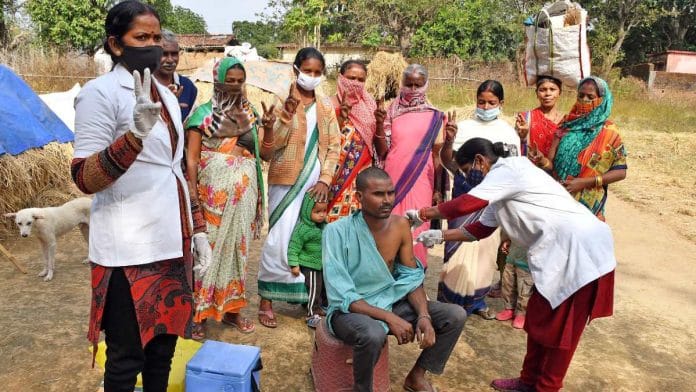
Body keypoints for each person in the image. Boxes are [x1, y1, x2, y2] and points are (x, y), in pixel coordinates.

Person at [71, 2, 212, 391]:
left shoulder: (165, 95)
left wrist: (196, 230)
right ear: (117, 45)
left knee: (162, 351)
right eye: (142, 38)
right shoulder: (98, 94)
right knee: (125, 358)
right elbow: (84, 178)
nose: (152, 45)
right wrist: (133, 137)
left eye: (156, 37)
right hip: (127, 250)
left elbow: (177, 169)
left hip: (169, 242)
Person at [410, 138, 616, 392]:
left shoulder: (510, 169)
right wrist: (439, 235)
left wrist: (424, 214)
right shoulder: (499, 190)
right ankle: (528, 381)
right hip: (558, 256)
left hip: (581, 254)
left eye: (465, 171)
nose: (468, 178)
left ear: (480, 161)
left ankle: (546, 387)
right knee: (539, 322)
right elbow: (480, 230)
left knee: (561, 334)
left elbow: (465, 204)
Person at [323, 167, 466, 392]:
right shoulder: (335, 232)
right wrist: (390, 318)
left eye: (390, 193)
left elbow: (410, 277)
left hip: (389, 300)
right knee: (373, 333)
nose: (387, 200)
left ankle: (416, 376)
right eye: (378, 194)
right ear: (359, 197)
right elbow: (343, 295)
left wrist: (424, 315)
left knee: (454, 315)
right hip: (349, 311)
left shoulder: (400, 226)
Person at [185, 57, 277, 338]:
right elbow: (191, 159)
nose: (235, 86)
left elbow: (267, 154)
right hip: (213, 196)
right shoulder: (202, 116)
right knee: (207, 254)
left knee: (239, 253)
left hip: (244, 199)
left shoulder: (250, 114)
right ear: (217, 81)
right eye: (230, 80)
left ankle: (232, 311)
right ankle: (199, 313)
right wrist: (192, 195)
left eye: (240, 81)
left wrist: (270, 127)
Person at [257, 47, 340, 328]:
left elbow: (334, 147)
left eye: (318, 73)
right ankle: (266, 300)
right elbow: (269, 148)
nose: (312, 77)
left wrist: (326, 180)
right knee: (279, 237)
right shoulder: (280, 100)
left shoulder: (326, 106)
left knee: (307, 240)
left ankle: (308, 300)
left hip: (314, 184)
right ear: (296, 69)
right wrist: (284, 118)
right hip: (284, 180)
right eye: (308, 71)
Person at [437, 80, 520, 319]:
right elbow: (448, 162)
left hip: (491, 201)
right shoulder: (463, 126)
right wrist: (450, 140)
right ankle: (449, 300)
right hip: (463, 198)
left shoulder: (507, 132)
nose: (485, 106)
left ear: (501, 104)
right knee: (456, 247)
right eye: (481, 102)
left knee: (485, 251)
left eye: (491, 103)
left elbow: (512, 169)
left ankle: (477, 302)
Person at [495, 75, 563, 328]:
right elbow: (514, 149)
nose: (547, 93)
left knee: (543, 240)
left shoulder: (566, 121)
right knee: (512, 236)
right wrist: (522, 136)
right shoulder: (527, 118)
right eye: (542, 89)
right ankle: (506, 291)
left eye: (552, 89)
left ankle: (536, 295)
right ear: (536, 93)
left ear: (559, 93)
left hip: (552, 183)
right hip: (526, 184)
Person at [381, 63, 449, 268]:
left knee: (418, 227)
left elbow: (437, 156)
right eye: (408, 84)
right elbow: (383, 150)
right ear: (401, 84)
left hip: (422, 180)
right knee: (389, 226)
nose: (412, 90)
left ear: (425, 85)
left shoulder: (436, 116)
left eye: (417, 85)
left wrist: (437, 190)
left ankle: (415, 277)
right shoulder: (390, 112)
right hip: (392, 179)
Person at [539, 76, 627, 221]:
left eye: (590, 96)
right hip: (558, 200)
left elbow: (620, 172)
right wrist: (541, 160)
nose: (584, 100)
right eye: (581, 95)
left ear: (602, 99)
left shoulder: (609, 132)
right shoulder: (567, 125)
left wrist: (584, 182)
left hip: (589, 207)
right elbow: (550, 162)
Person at [327, 60, 388, 222]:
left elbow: (381, 151)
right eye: (351, 78)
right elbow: (322, 142)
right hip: (331, 175)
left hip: (359, 180)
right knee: (330, 225)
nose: (355, 83)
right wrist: (341, 117)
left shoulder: (370, 108)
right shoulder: (327, 105)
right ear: (341, 78)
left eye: (361, 80)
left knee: (355, 228)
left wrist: (380, 123)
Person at [287, 195, 328, 328]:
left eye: (324, 211)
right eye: (317, 212)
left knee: (320, 288)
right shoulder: (303, 229)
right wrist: (294, 264)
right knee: (314, 289)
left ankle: (315, 306)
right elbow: (293, 246)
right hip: (310, 265)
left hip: (320, 264)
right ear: (306, 210)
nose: (322, 215)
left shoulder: (322, 226)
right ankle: (311, 314)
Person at [153, 29, 197, 120]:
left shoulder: (188, 86)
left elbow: (193, 124)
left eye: (174, 54)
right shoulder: (144, 85)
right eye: (164, 54)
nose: (170, 60)